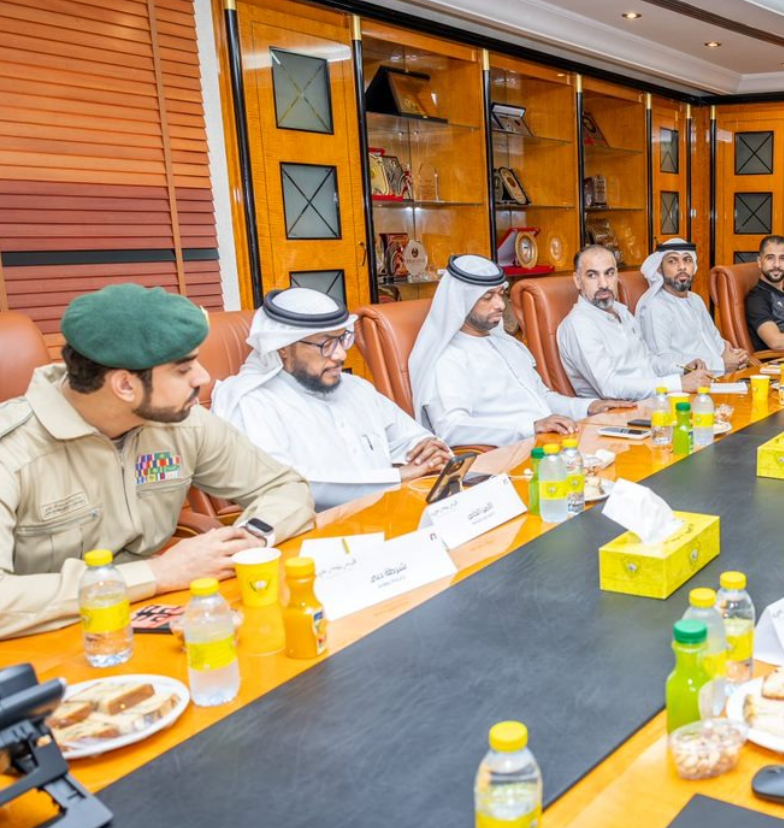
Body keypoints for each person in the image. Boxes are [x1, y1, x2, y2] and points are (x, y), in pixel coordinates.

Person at [0, 284, 315, 640]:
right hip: (47, 642)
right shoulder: (11, 452)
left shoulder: (183, 423)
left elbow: (285, 487)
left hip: (161, 621)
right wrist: (157, 574)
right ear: (124, 385)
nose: (203, 378)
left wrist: (248, 540)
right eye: (183, 370)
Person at [212, 288, 453, 511]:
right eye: (325, 344)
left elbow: (412, 438)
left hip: (394, 512)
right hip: (314, 536)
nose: (341, 354)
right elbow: (285, 482)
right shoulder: (252, 402)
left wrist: (428, 452)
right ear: (283, 347)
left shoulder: (356, 388)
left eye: (341, 339)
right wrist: (398, 476)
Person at [408, 255, 631, 446]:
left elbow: (542, 398)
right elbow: (451, 427)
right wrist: (530, 427)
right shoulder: (449, 359)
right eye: (488, 297)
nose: (501, 305)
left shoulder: (506, 344)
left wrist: (590, 406)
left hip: (550, 444)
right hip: (509, 457)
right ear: (461, 302)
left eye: (500, 294)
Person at [558, 245, 714, 400]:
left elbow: (648, 361)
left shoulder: (622, 313)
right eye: (592, 275)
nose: (604, 284)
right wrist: (677, 383)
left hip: (654, 403)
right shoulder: (579, 324)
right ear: (577, 280)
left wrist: (683, 370)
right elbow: (609, 386)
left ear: (617, 276)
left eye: (609, 273)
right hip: (616, 417)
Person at [636, 238, 748, 373]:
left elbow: (715, 340)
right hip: (685, 386)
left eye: (687, 260)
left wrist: (735, 356)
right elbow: (662, 360)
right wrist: (721, 364)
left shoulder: (696, 300)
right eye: (672, 261)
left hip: (718, 378)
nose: (682, 267)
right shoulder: (655, 307)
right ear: (660, 269)